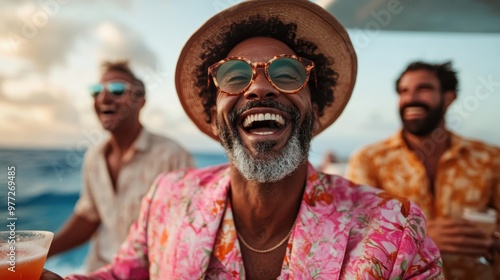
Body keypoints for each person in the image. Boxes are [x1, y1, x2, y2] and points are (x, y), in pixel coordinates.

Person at [42, 1, 443, 279]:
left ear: (314, 107)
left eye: (287, 74)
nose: (259, 89)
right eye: (235, 77)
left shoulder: (396, 230)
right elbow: (123, 275)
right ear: (214, 114)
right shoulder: (165, 199)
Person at [346, 61, 500, 279]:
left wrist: (494, 238)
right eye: (403, 91)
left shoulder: (490, 158)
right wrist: (421, 236)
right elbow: (354, 235)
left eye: (424, 89)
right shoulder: (368, 160)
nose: (410, 99)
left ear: (448, 97)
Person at [47, 60, 194, 271]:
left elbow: (189, 230)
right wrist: (39, 251)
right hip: (98, 271)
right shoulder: (94, 157)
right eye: (96, 91)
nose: (103, 97)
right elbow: (90, 216)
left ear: (140, 100)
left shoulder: (172, 156)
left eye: (117, 89)